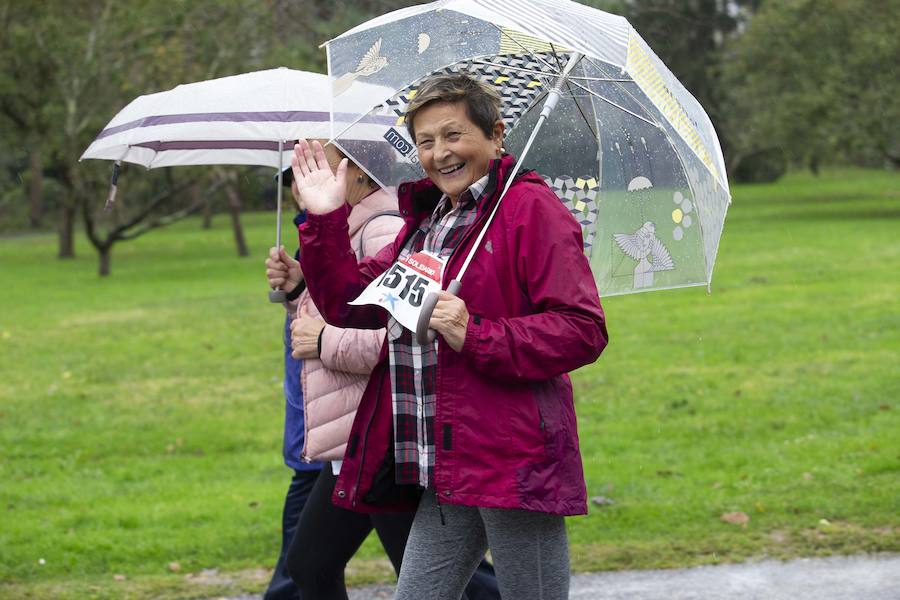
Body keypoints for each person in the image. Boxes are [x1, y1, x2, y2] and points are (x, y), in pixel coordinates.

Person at [290, 73, 608, 600]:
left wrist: (474, 333)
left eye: (453, 135)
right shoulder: (431, 220)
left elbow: (582, 330)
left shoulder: (530, 210)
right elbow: (353, 304)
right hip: (444, 459)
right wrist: (325, 217)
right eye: (425, 141)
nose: (440, 153)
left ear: (496, 135)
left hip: (512, 463)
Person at [266, 142, 500, 600]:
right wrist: (298, 288)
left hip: (382, 437)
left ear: (356, 171)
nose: (307, 182)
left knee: (435, 580)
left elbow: (398, 332)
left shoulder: (382, 228)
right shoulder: (353, 224)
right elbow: (349, 305)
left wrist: (322, 342)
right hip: (354, 437)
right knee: (311, 565)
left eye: (322, 168)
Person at [261, 174, 323, 600]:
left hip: (330, 433)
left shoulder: (359, 229)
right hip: (314, 420)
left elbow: (348, 316)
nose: (302, 187)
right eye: (296, 179)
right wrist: (295, 289)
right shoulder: (310, 235)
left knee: (303, 560)